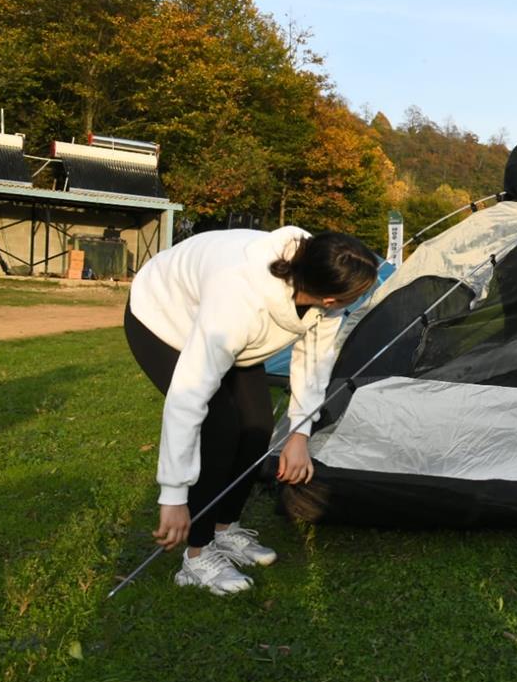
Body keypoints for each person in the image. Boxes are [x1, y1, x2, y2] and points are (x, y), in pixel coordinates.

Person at [124, 227, 377, 595]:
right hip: (163, 316)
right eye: (350, 299)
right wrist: (173, 495)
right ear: (329, 299)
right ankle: (196, 556)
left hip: (233, 335)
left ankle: (225, 528)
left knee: (257, 426)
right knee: (221, 427)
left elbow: (314, 362)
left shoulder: (321, 276)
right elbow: (186, 398)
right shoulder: (238, 297)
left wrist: (300, 433)